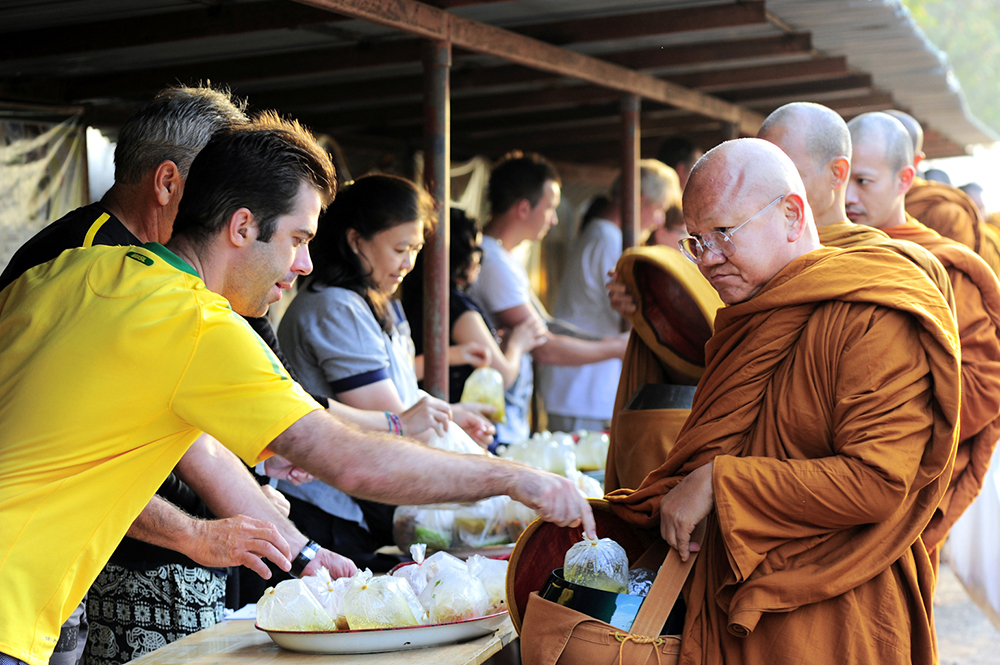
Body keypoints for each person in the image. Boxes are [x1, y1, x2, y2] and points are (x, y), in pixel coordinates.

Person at [0, 118, 595, 665]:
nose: (306, 263)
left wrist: (303, 553)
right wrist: (517, 479)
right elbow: (351, 462)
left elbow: (148, 459)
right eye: (298, 238)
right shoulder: (196, 325)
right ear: (241, 227)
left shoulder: (69, 272)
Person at [606, 138, 960, 664]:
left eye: (724, 233)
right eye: (696, 242)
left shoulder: (870, 315)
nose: (709, 260)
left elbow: (879, 481)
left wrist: (719, 483)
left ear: (793, 215)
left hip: (831, 616)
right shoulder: (749, 316)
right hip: (732, 608)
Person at [275, 174, 497, 570]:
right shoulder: (335, 308)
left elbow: (403, 398)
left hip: (363, 501)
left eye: (415, 249)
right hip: (330, 510)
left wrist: (451, 417)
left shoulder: (376, 301)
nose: (408, 263)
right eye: (399, 249)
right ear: (356, 240)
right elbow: (392, 422)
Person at [846, 111, 1000, 565]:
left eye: (864, 181)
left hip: (901, 486)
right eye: (842, 178)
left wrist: (891, 429)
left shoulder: (940, 263)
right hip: (824, 487)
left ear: (905, 177)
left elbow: (984, 384)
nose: (849, 196)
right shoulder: (825, 256)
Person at [467, 151, 628, 444]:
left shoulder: (502, 258)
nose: (553, 220)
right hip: (494, 417)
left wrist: (612, 344)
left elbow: (545, 326)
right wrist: (616, 348)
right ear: (523, 208)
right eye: (550, 207)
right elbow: (544, 346)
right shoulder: (493, 262)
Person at [756, 102, 955, 308]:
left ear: (837, 173)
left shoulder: (901, 269)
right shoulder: (751, 252)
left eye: (862, 181)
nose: (849, 197)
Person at [538, 159, 680, 433]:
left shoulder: (600, 233)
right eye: (659, 208)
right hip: (583, 389)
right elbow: (633, 307)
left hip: (583, 386)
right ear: (639, 199)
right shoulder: (608, 238)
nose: (659, 219)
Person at [402, 207, 547, 405]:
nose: (480, 258)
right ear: (461, 256)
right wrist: (517, 345)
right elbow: (501, 375)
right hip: (457, 415)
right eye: (476, 249)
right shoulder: (456, 308)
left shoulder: (418, 297)